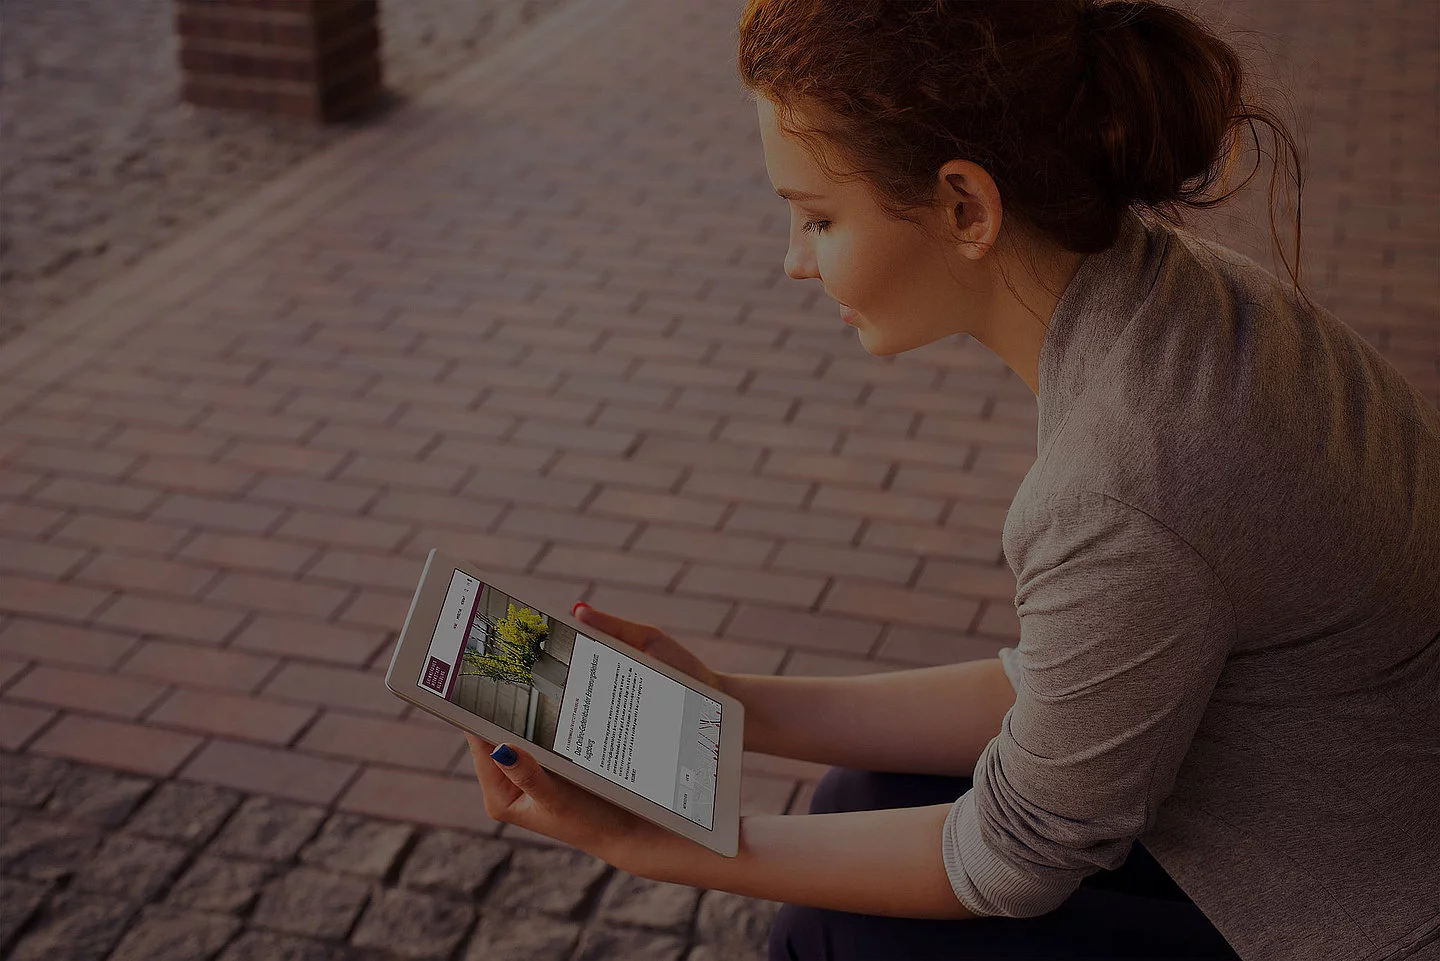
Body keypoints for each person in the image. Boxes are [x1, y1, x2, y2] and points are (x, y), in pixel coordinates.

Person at [463, 1, 1440, 959]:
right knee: (863, 792)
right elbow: (1077, 678)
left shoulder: (1124, 482)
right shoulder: (1172, 297)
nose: (794, 263)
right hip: (1323, 818)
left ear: (965, 206)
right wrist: (731, 705)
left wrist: (658, 845)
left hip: (1353, 909)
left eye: (816, 218)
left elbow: (1018, 855)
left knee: (834, 932)